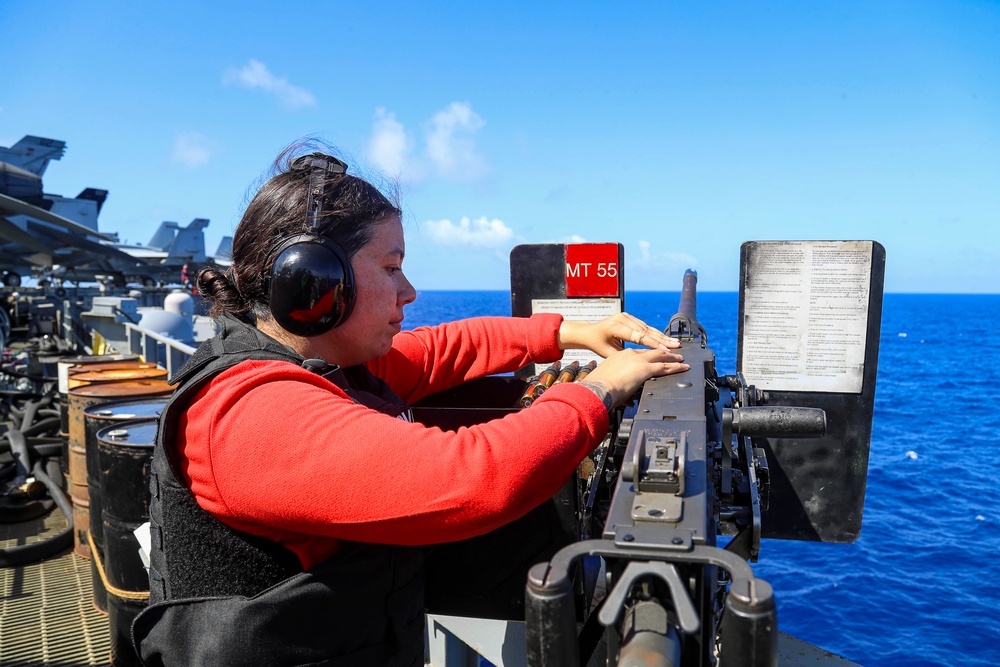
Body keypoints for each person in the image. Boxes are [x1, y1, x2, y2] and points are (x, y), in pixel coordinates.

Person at [132, 144, 689, 667]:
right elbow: (473, 476)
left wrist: (568, 332)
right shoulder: (249, 414)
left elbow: (441, 351)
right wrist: (599, 390)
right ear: (316, 281)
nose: (409, 292)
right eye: (391, 267)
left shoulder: (327, 364)